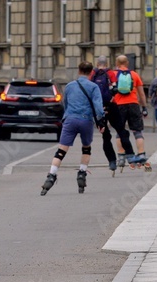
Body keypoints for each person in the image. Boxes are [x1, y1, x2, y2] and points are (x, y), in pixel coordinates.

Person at [41, 61, 106, 196]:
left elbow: (65, 103)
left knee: (61, 150)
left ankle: (51, 176)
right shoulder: (93, 87)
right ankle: (82, 174)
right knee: (86, 148)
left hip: (70, 120)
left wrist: (67, 116)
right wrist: (101, 122)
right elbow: (99, 108)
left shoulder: (70, 86)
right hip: (86, 120)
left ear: (79, 70)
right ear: (91, 72)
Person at [88, 55, 132, 171]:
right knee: (121, 130)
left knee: (105, 136)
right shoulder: (111, 73)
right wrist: (112, 97)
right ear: (107, 64)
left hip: (98, 108)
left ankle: (112, 162)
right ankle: (130, 154)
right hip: (111, 105)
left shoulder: (92, 74)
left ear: (97, 64)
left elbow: (89, 90)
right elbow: (115, 88)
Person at [108, 55, 148, 166]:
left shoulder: (112, 75)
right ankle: (141, 154)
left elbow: (108, 92)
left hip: (118, 106)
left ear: (116, 63)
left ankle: (121, 157)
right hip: (133, 104)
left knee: (119, 131)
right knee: (137, 131)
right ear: (127, 63)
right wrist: (144, 108)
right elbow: (141, 94)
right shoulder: (134, 75)